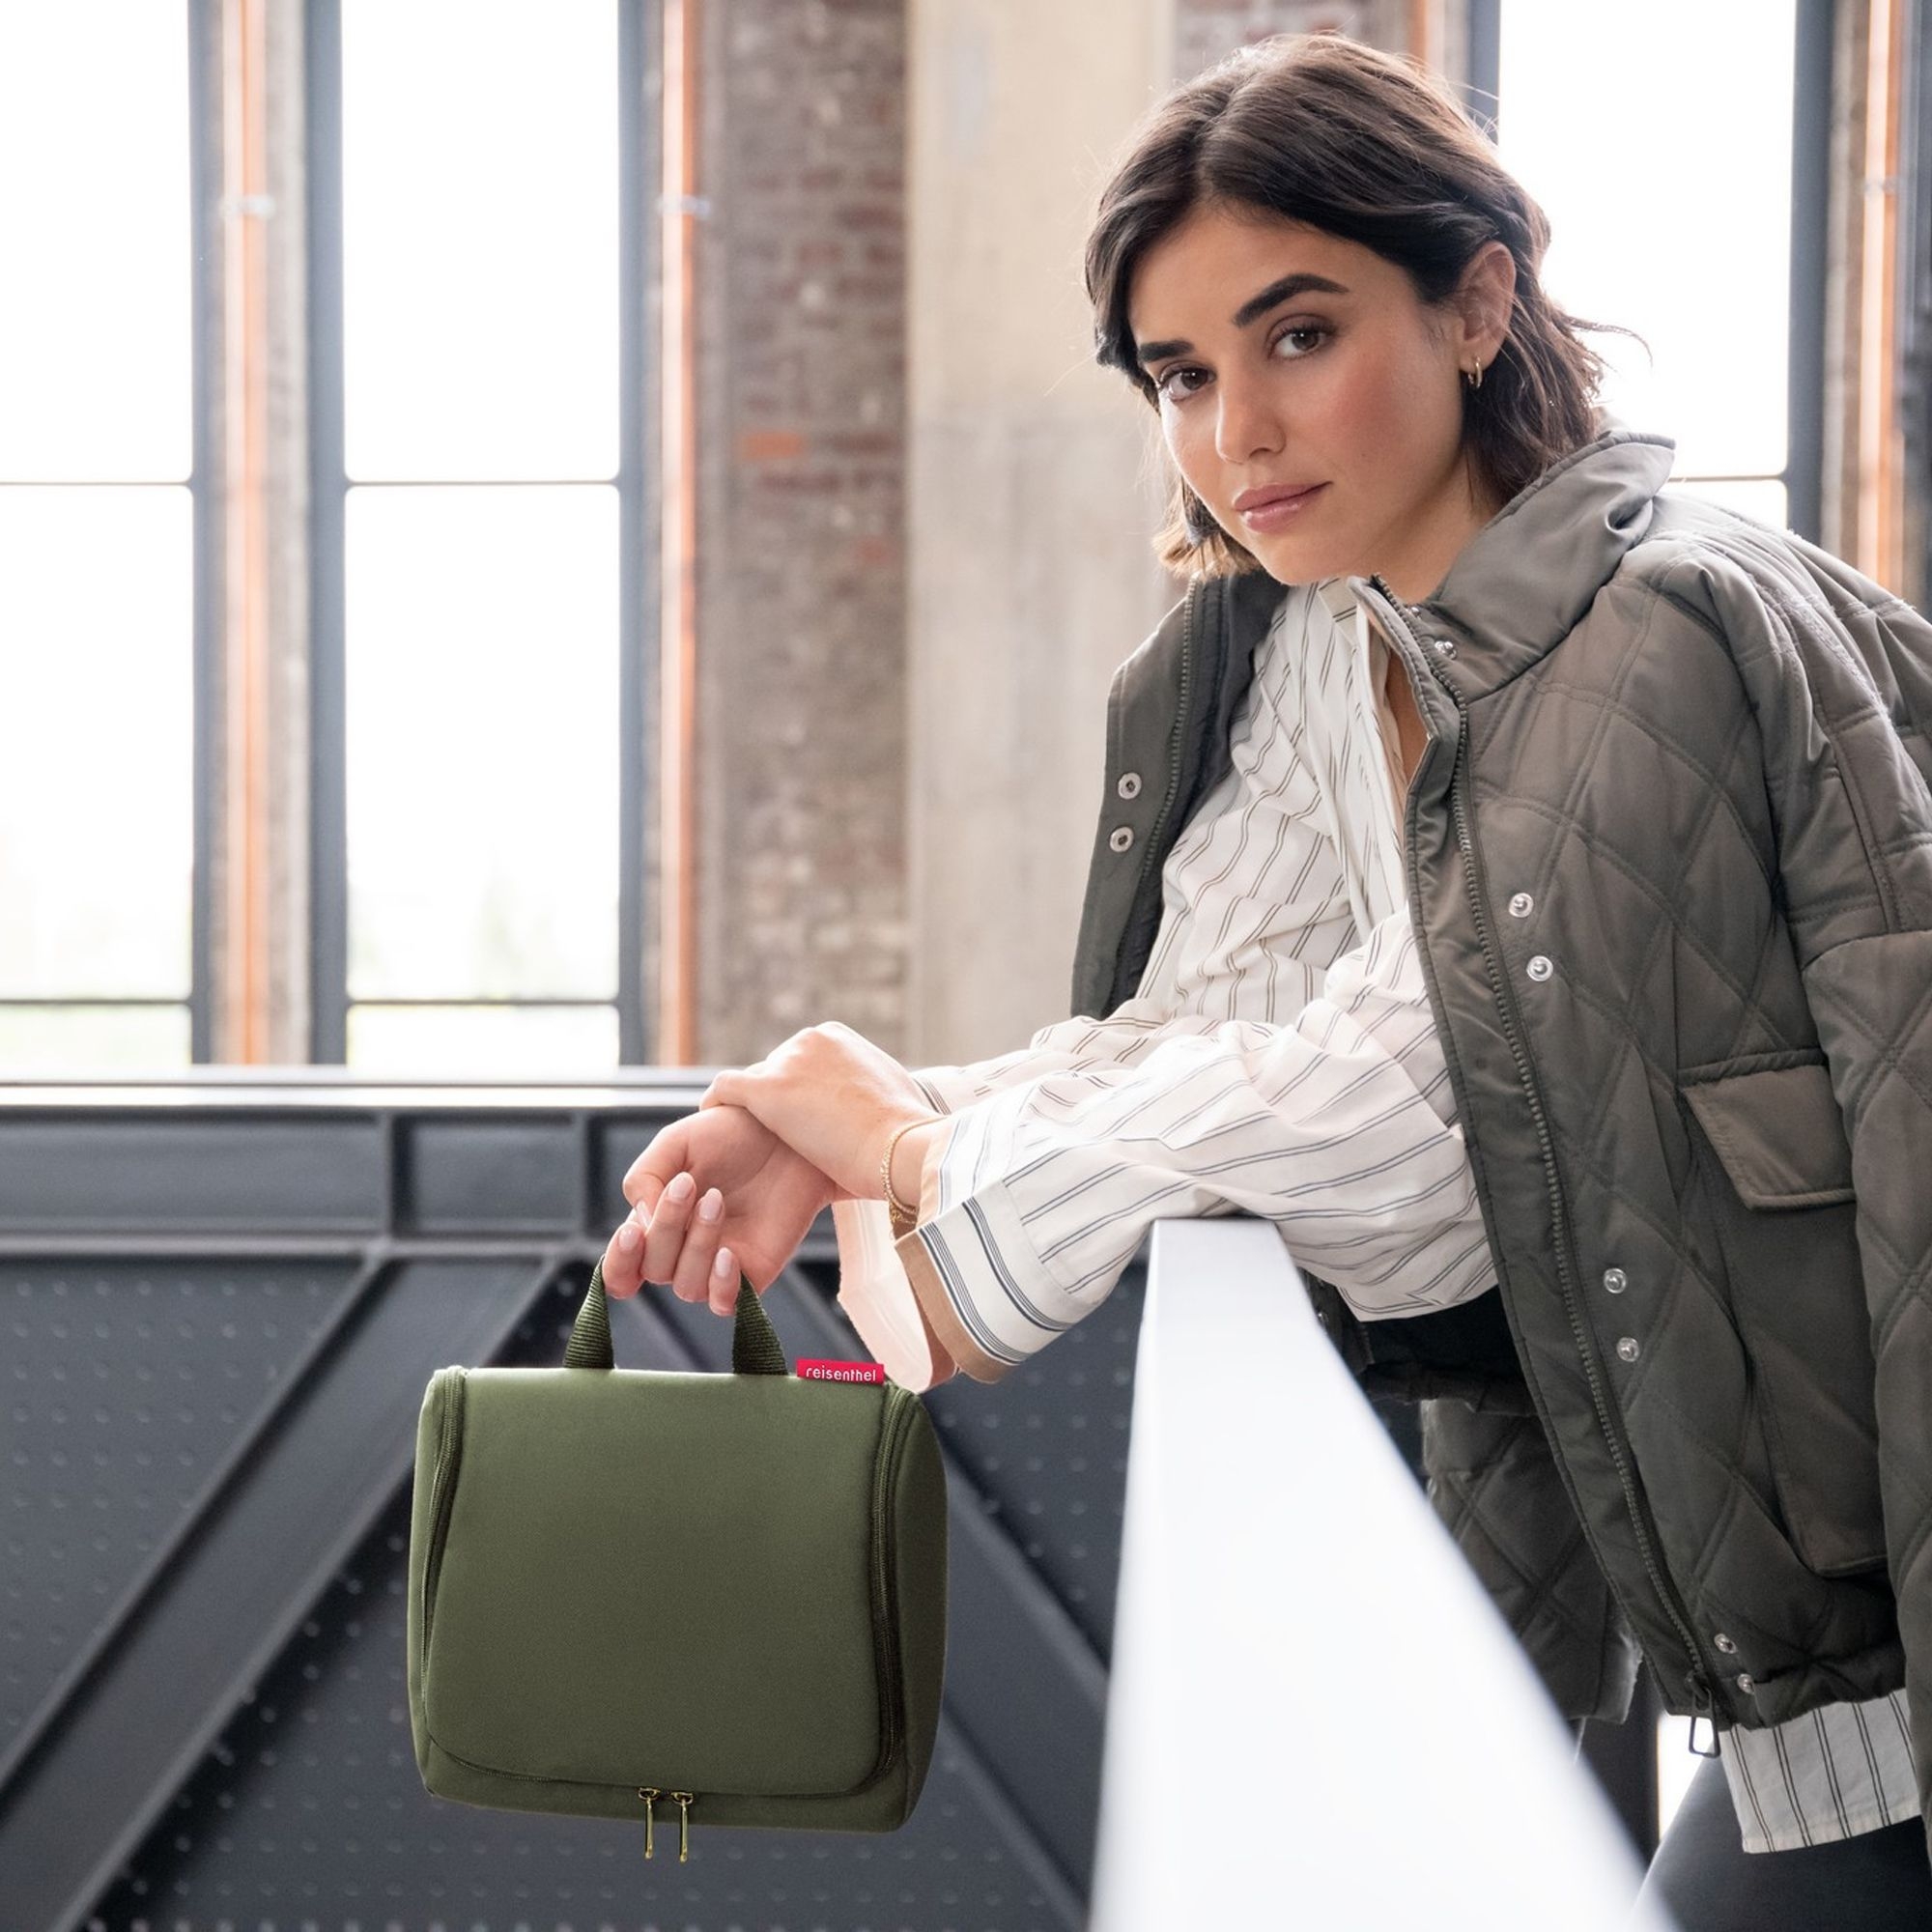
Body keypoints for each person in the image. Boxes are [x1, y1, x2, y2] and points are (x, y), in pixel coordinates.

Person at [596, 31, 1932, 1926]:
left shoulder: (1639, 644)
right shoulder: (1330, 654)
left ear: (1476, 304)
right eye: (1180, 374)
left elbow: (1413, 1100)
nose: (1237, 432)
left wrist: (911, 1160)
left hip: (1868, 1657)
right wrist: (868, 1101)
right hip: (1743, 1624)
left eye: (1296, 336)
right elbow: (1215, 1027)